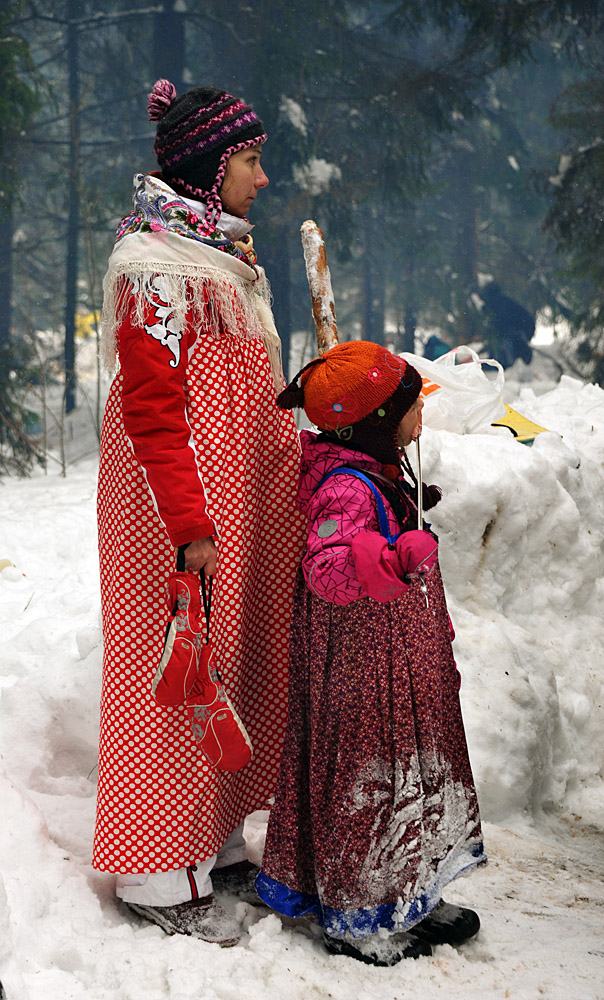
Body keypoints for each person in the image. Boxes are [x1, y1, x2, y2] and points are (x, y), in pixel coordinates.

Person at [95, 80, 305, 946]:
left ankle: (210, 846)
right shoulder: (155, 267)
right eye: (251, 162)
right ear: (210, 170)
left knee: (229, 665)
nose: (262, 179)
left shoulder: (221, 254)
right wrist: (188, 524)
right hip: (176, 511)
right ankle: (153, 871)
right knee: (170, 672)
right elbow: (149, 406)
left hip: (233, 504)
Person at [255, 340, 486, 966]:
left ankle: (408, 891)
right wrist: (386, 556)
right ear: (377, 423)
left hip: (398, 660)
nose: (422, 416)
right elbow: (326, 566)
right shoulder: (348, 488)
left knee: (409, 775)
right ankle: (357, 913)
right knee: (369, 783)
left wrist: (406, 507)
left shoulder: (377, 471)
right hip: (362, 669)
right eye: (412, 406)